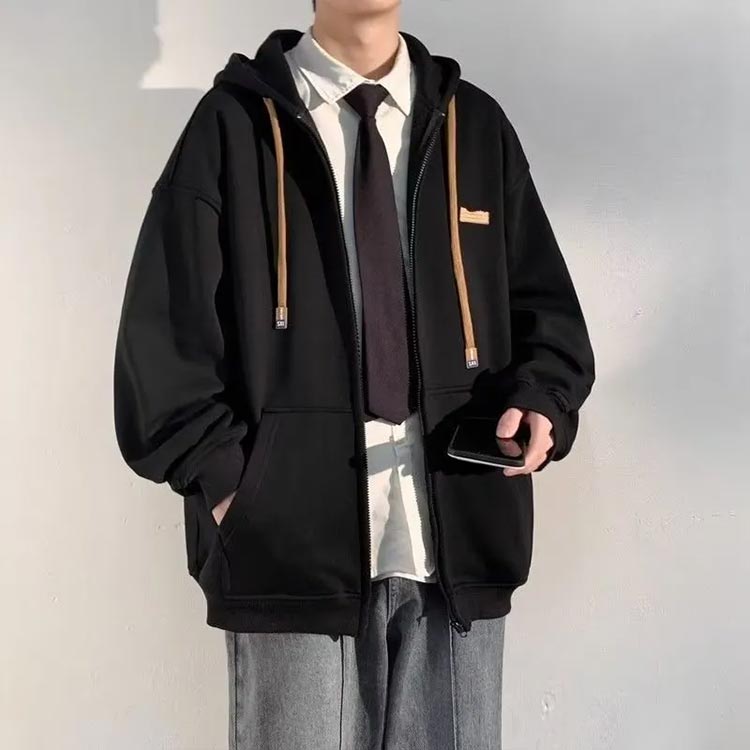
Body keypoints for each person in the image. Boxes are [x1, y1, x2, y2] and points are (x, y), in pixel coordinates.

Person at [113, 0, 595, 747]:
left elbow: (548, 314)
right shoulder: (231, 127)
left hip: (457, 541)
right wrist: (237, 487)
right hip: (290, 556)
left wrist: (542, 401)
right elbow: (162, 339)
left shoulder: (475, 127)